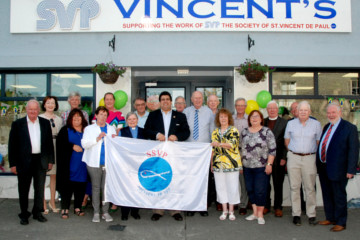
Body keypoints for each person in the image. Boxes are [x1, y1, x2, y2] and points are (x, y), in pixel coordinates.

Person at [144, 91, 190, 221]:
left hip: (174, 154)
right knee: (159, 179)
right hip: (158, 154)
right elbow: (146, 130)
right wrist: (156, 135)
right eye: (162, 99)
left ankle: (175, 210)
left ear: (171, 102)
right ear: (160, 102)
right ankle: (158, 210)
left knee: (174, 179)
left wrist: (177, 136)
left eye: (167, 99)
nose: (165, 101)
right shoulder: (153, 115)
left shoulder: (180, 116)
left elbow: (186, 132)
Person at [8, 99, 54, 225]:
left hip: (40, 160)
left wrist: (50, 160)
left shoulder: (45, 123)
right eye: (30, 109)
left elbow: (49, 144)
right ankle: (24, 214)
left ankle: (37, 213)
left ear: (38, 110)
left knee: (39, 189)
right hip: (23, 162)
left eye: (35, 109)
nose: (33, 111)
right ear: (26, 110)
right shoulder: (18, 124)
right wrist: (13, 164)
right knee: (23, 189)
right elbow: (12, 146)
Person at [316, 103, 359, 232]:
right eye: (329, 113)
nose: (330, 115)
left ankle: (341, 221)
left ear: (340, 112)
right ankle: (331, 218)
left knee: (339, 195)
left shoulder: (349, 128)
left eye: (333, 112)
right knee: (327, 194)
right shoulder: (327, 126)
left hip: (339, 168)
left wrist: (351, 170)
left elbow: (353, 150)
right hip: (324, 167)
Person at [284, 101, 322, 226]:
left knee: (310, 187)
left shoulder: (316, 124)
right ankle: (296, 214)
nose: (303, 112)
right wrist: (292, 152)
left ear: (309, 112)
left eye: (306, 110)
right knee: (294, 187)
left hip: (309, 158)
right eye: (301, 110)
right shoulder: (291, 123)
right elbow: (287, 141)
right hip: (294, 157)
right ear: (296, 112)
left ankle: (311, 214)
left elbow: (318, 142)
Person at [81, 106, 116, 223]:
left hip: (107, 163)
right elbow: (84, 144)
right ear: (96, 115)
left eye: (105, 115)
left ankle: (105, 212)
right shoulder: (89, 129)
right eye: (100, 114)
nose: (103, 117)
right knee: (95, 188)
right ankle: (96, 212)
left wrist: (115, 140)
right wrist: (97, 139)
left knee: (105, 188)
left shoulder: (111, 128)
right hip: (93, 163)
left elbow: (115, 146)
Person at [241, 110, 276, 225]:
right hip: (247, 167)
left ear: (261, 119)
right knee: (250, 189)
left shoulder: (267, 132)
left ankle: (260, 214)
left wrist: (269, 164)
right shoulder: (244, 132)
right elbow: (240, 149)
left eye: (257, 117)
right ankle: (255, 213)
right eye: (252, 117)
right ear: (249, 119)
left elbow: (272, 149)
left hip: (262, 167)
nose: (254, 119)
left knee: (260, 190)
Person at [183, 91, 215, 217]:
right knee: (190, 179)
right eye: (195, 98)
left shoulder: (209, 112)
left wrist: (212, 150)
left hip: (204, 152)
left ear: (203, 99)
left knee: (204, 180)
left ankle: (203, 206)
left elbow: (212, 131)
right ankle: (191, 206)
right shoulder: (186, 112)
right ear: (191, 99)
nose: (197, 100)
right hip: (189, 150)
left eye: (199, 98)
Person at [94, 92, 125, 213]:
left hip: (112, 149)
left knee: (112, 176)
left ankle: (113, 201)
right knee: (98, 179)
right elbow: (94, 130)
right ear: (104, 100)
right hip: (98, 150)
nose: (109, 101)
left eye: (111, 99)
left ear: (114, 100)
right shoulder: (98, 113)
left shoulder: (119, 114)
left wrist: (111, 139)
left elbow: (118, 131)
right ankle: (99, 203)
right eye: (106, 99)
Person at [211, 108, 242, 221]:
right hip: (218, 164)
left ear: (229, 118)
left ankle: (231, 211)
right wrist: (211, 164)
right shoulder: (215, 131)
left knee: (232, 187)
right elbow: (213, 150)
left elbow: (232, 144)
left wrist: (219, 143)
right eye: (221, 117)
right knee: (220, 187)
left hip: (231, 164)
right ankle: (224, 210)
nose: (223, 119)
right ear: (218, 119)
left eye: (225, 116)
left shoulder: (234, 130)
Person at [56, 109, 88, 219]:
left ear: (82, 119)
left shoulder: (87, 130)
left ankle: (77, 207)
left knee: (80, 185)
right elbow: (59, 145)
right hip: (69, 164)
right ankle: (65, 208)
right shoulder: (65, 130)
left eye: (79, 117)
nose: (77, 119)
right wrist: (72, 146)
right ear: (70, 119)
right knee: (67, 186)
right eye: (74, 117)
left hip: (83, 165)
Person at [117, 112, 144, 220]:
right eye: (130, 119)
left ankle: (135, 211)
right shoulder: (122, 131)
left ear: (137, 120)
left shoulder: (143, 131)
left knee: (137, 187)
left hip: (138, 163)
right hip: (126, 164)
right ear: (127, 121)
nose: (132, 121)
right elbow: (118, 145)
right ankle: (124, 212)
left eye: (134, 119)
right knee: (126, 187)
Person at [39, 96, 63, 214]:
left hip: (56, 147)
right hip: (44, 148)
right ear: (44, 105)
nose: (50, 105)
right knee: (42, 176)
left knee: (54, 176)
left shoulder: (59, 119)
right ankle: (43, 203)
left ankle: (52, 201)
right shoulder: (40, 118)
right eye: (48, 103)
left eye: (52, 103)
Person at [263, 101, 288, 217]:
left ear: (278, 110)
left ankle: (278, 207)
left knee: (278, 184)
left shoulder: (284, 122)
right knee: (265, 184)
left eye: (274, 108)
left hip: (279, 158)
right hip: (264, 158)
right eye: (270, 108)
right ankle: (266, 206)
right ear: (267, 110)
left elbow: (286, 141)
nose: (272, 110)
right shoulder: (263, 121)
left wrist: (284, 157)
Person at [232, 97, 249, 216]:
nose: (240, 107)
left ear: (246, 107)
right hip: (231, 152)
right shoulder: (230, 119)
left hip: (245, 152)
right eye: (238, 105)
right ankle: (232, 202)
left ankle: (243, 204)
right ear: (235, 106)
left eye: (242, 105)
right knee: (231, 178)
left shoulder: (250, 119)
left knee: (243, 180)